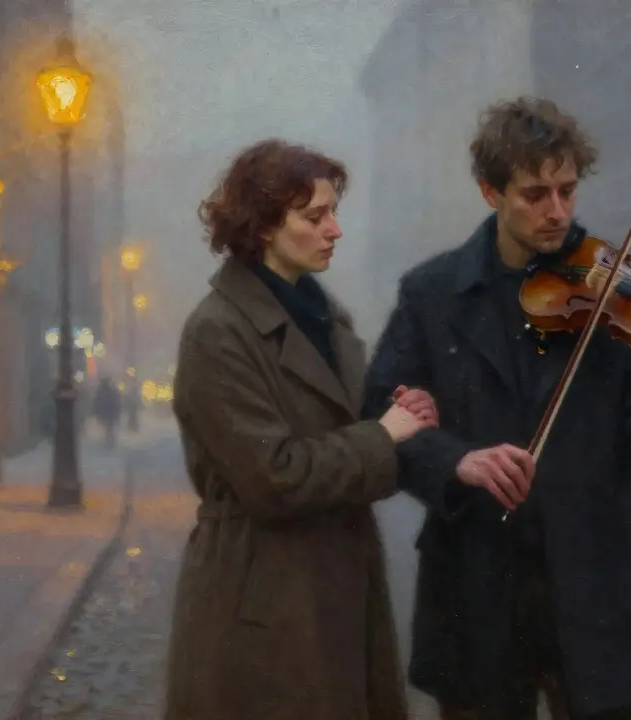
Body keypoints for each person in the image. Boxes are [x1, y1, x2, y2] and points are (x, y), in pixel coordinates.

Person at [363, 97, 631, 720]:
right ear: (490, 192)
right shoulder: (432, 294)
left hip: (598, 584)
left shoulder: (616, 285)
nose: (557, 211)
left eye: (566, 190)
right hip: (477, 583)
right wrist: (458, 463)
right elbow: (379, 419)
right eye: (535, 194)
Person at [164, 139, 436, 720]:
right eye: (315, 217)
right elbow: (274, 476)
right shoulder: (217, 331)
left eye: (333, 212)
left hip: (336, 588)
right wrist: (382, 435)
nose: (334, 230)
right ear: (263, 225)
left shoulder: (324, 317)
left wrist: (395, 417)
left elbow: (346, 435)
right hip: (263, 601)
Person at [92, 375, 122, 448]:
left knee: (107, 428)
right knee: (109, 428)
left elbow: (96, 402)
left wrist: (96, 411)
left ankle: (109, 441)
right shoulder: (112, 390)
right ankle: (110, 441)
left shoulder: (100, 390)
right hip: (110, 413)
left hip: (106, 412)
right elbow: (117, 402)